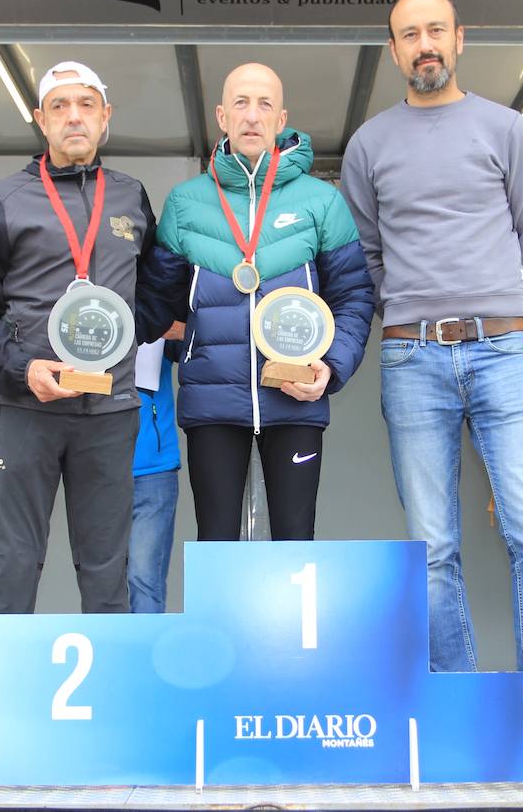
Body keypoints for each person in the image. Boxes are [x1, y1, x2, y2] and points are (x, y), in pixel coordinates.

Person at [340, 0, 523, 673]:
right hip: (412, 357)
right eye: (410, 34)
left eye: (435, 30)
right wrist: (409, 311)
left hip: (505, 347)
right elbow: (365, 251)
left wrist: (497, 304)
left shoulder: (506, 128)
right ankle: (457, 700)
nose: (425, 45)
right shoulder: (368, 143)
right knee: (432, 545)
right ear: (393, 50)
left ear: (459, 38)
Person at [0, 61, 159, 615]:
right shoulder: (4, 197)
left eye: (87, 104)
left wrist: (130, 336)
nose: (75, 117)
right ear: (40, 120)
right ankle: (4, 699)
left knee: (106, 565)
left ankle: (110, 699)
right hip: (28, 407)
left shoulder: (131, 196)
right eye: (60, 106)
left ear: (105, 117)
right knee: (15, 559)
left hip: (111, 408)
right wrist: (22, 370)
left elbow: (159, 283)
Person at [142, 63, 374, 541]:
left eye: (264, 104)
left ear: (281, 116)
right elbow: (154, 302)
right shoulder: (185, 203)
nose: (252, 116)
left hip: (296, 393)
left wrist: (332, 365)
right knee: (218, 541)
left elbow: (353, 293)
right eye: (241, 104)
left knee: (294, 539)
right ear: (222, 116)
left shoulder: (321, 201)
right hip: (211, 398)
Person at [128, 332, 183, 613]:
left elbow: (195, 344)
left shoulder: (159, 293)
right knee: (100, 579)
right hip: (94, 466)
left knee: (144, 577)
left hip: (154, 467)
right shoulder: (85, 300)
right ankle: (109, 655)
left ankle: (142, 656)